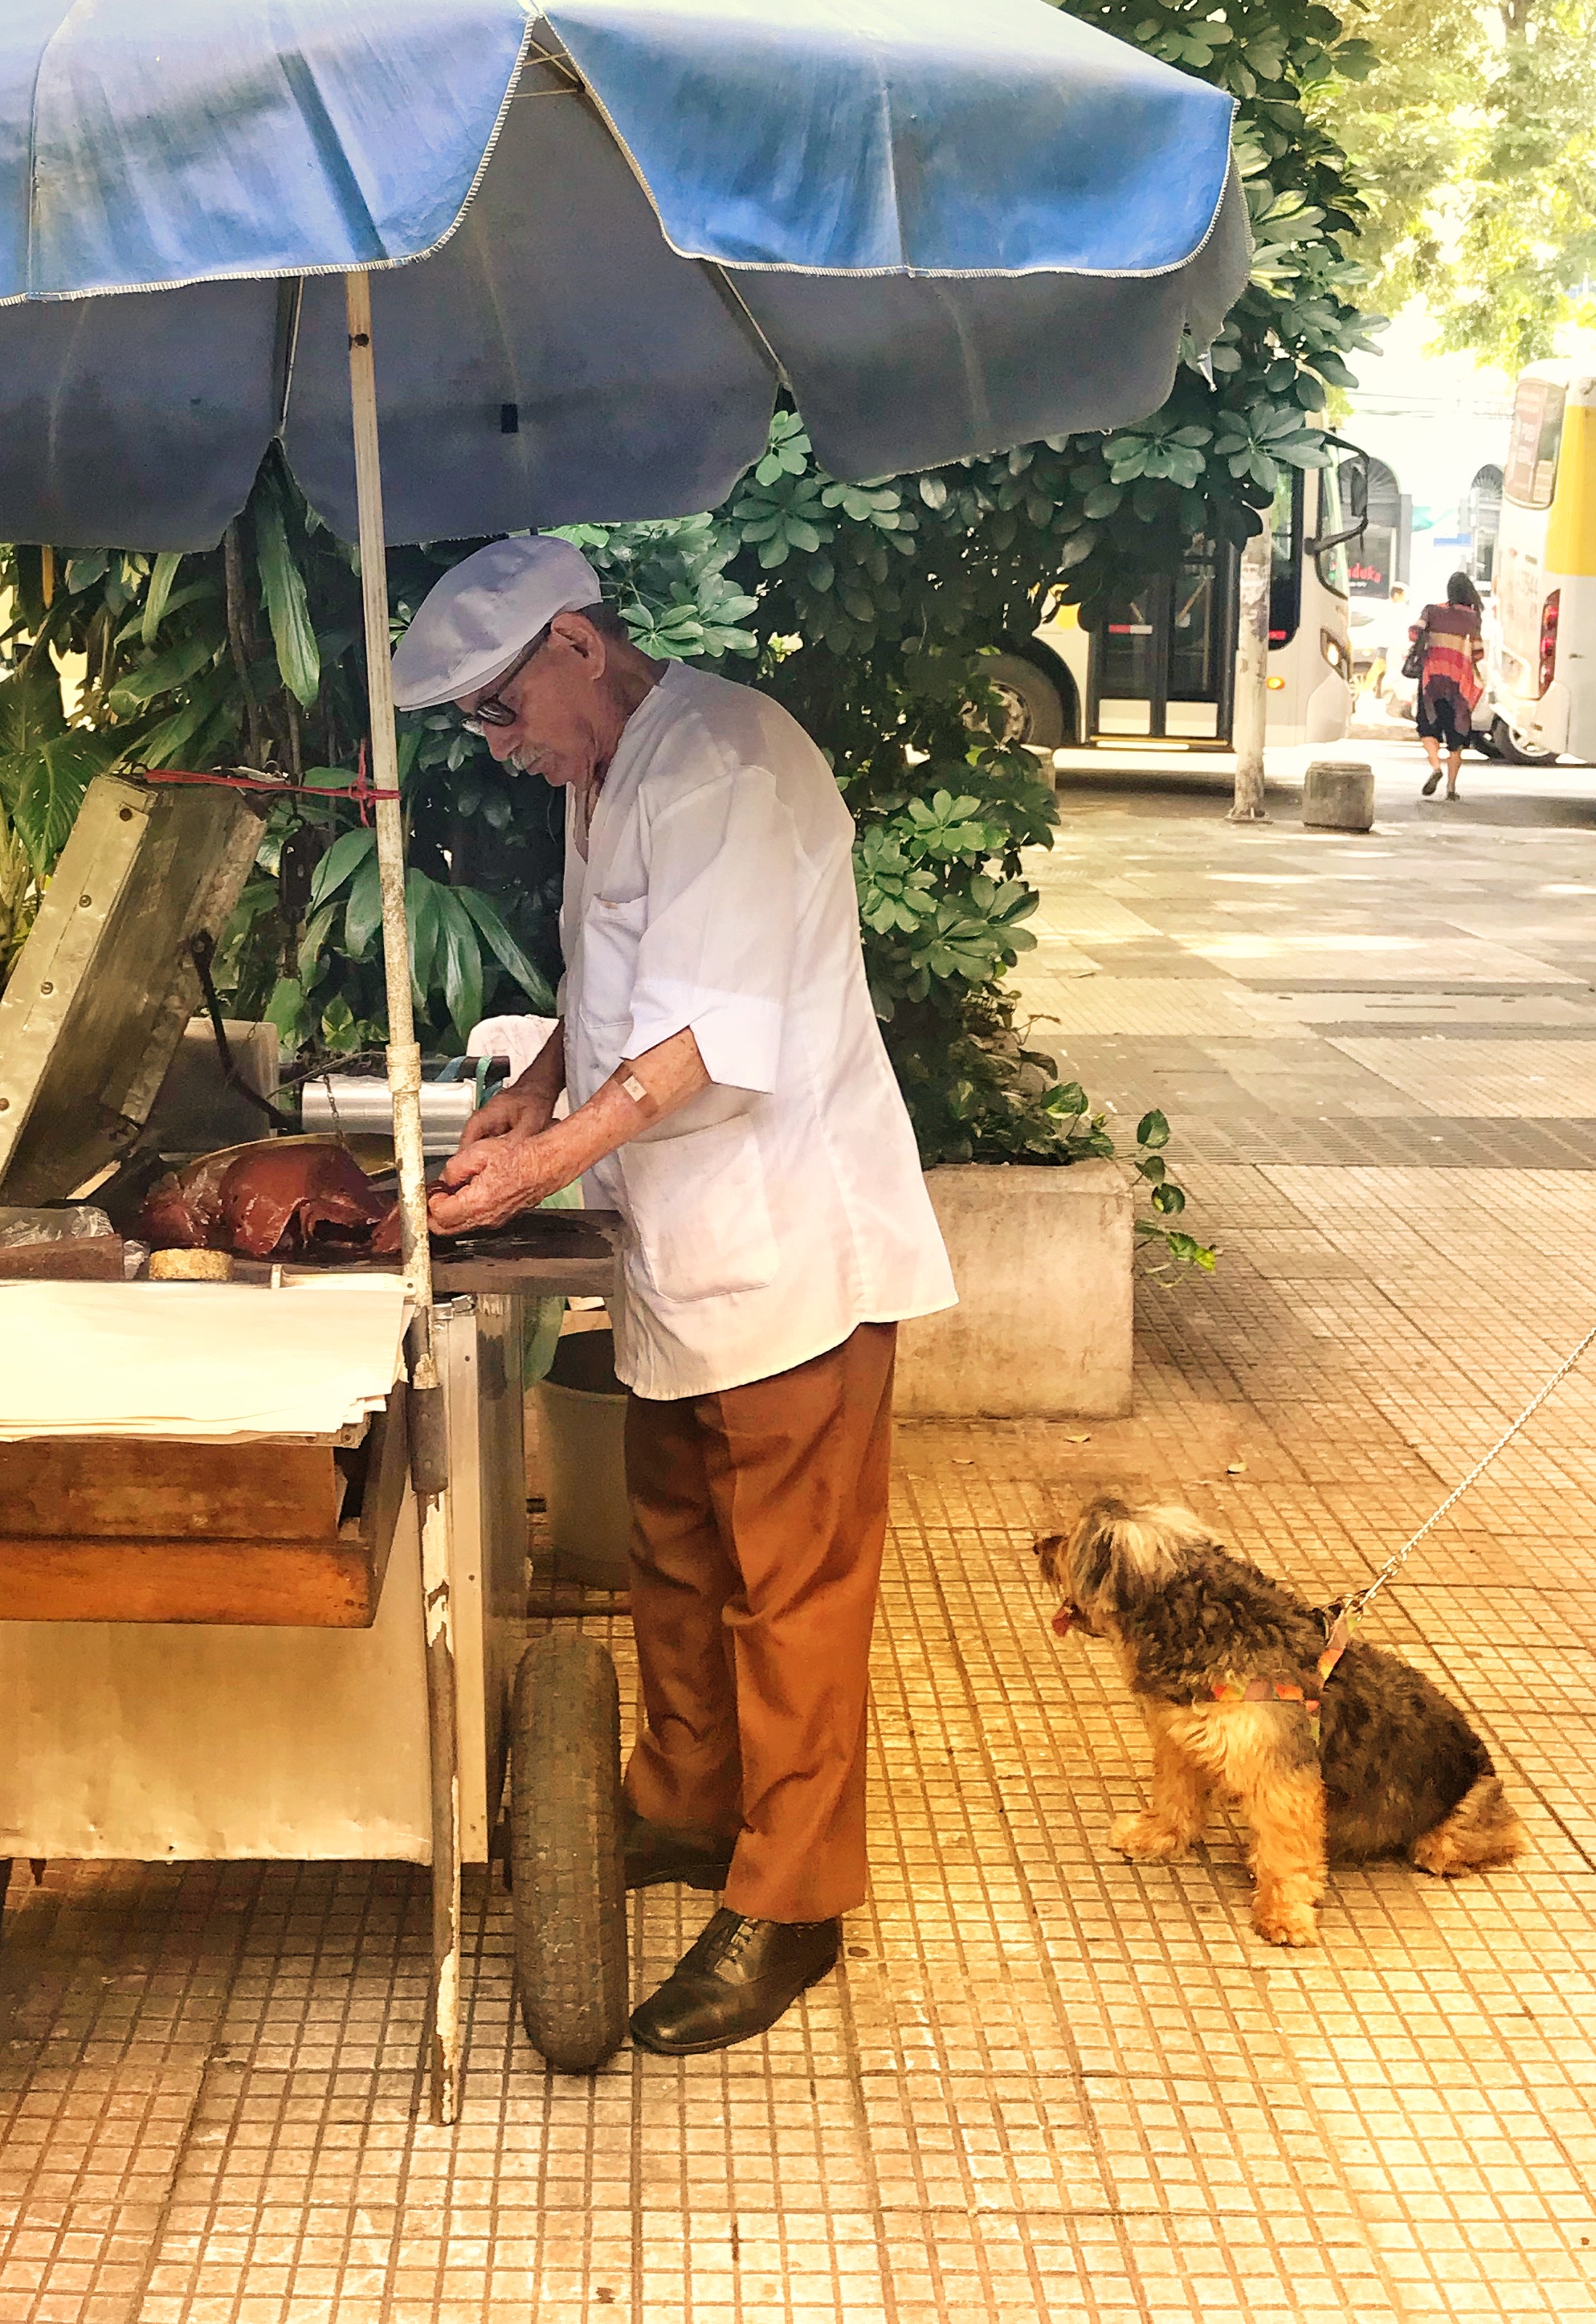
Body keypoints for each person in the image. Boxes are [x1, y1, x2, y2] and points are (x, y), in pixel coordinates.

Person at [392, 535, 955, 2056]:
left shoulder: (718, 762)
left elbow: (712, 1036)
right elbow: (615, 982)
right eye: (476, 727)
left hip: (788, 1239)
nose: (500, 750)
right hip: (682, 1238)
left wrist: (543, 1165)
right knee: (676, 1552)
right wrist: (540, 1094)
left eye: (502, 711)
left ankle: (790, 1897)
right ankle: (686, 1797)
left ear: (576, 643)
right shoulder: (609, 764)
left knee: (793, 1585)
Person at [1412, 570, 1484, 801]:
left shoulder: (1432, 610)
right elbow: (1478, 653)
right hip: (1459, 684)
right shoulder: (1473, 618)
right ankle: (1451, 789)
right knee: (1456, 736)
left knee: (1427, 727)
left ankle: (1436, 768)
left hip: (1431, 678)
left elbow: (1414, 633)